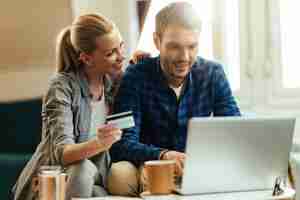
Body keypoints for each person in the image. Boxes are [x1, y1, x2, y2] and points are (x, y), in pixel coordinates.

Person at [108, 2, 241, 196]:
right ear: (157, 41)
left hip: (198, 166)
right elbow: (120, 143)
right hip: (152, 166)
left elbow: (234, 130)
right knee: (119, 174)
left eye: (192, 46)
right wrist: (163, 155)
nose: (184, 57)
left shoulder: (213, 73)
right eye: (174, 47)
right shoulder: (135, 76)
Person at [12, 13, 126, 200]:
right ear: (87, 59)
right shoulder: (61, 87)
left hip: (95, 177)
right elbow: (62, 154)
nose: (121, 56)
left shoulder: (113, 82)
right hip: (53, 181)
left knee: (101, 189)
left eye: (121, 46)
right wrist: (100, 143)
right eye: (110, 53)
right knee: (82, 169)